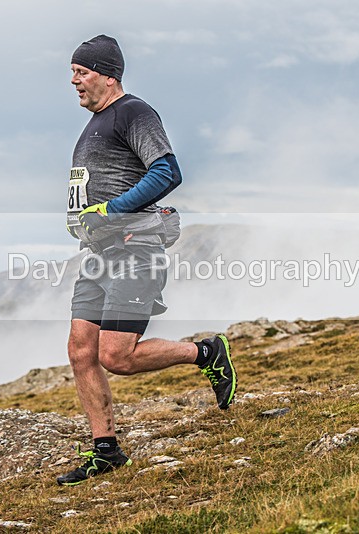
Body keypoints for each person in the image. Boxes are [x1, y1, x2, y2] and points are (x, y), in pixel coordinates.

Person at [57, 35, 237, 486]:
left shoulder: (134, 112)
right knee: (81, 350)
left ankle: (206, 353)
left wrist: (112, 211)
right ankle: (106, 450)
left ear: (108, 75)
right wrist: (83, 220)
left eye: (82, 72)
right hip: (99, 254)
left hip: (135, 250)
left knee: (116, 356)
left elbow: (167, 171)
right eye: (72, 72)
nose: (74, 80)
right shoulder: (95, 123)